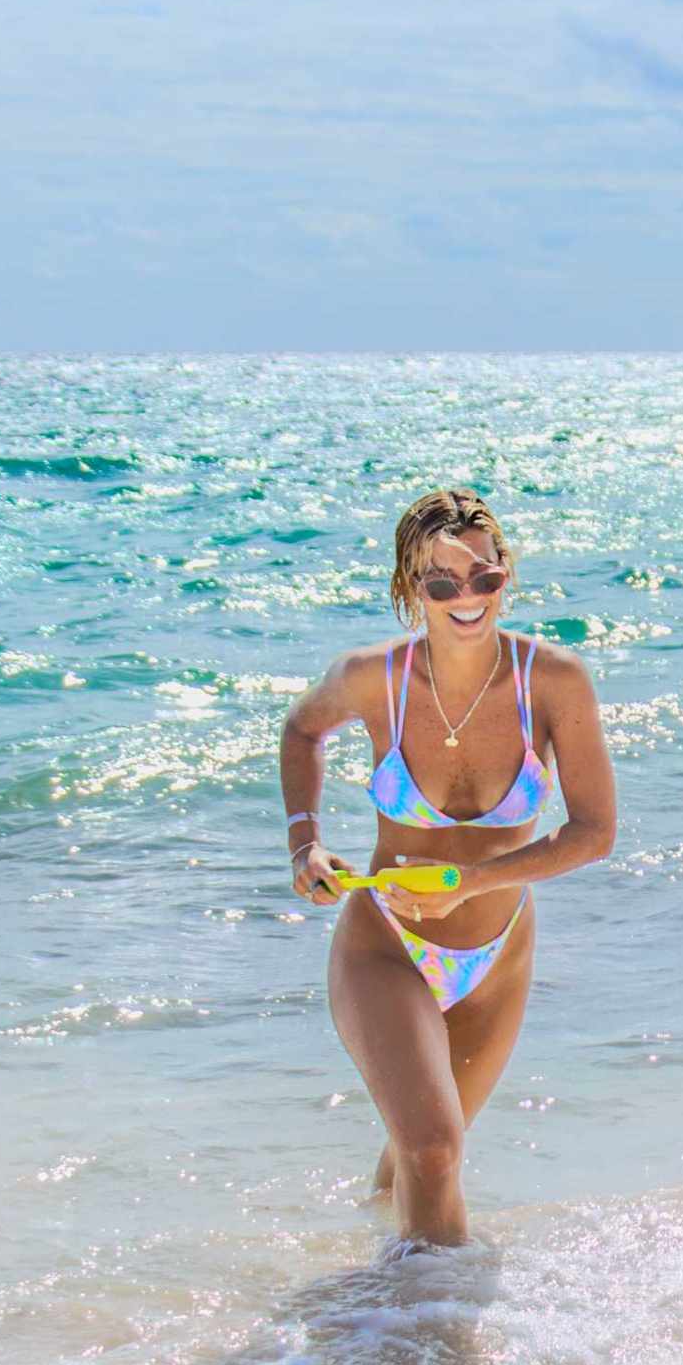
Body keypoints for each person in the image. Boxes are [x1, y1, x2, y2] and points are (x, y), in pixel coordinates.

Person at [278, 491, 618, 1248]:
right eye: (440, 583)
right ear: (410, 590)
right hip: (386, 946)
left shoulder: (553, 681)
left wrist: (473, 883)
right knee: (434, 1149)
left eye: (484, 578)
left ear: (506, 575)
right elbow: (302, 728)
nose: (466, 599)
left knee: (415, 1159)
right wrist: (306, 842)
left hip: (497, 962)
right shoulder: (375, 679)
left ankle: (376, 1315)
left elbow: (595, 833)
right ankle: (437, 1337)